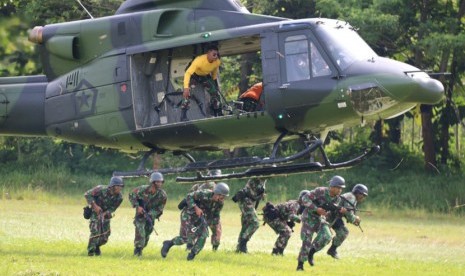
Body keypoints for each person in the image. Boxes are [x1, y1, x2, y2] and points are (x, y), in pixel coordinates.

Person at [161, 182, 230, 261]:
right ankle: (168, 243)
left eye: (224, 197)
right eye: (221, 197)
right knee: (187, 238)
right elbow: (189, 196)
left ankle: (192, 255)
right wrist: (196, 208)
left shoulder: (220, 203)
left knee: (204, 235)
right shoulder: (204, 193)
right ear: (217, 193)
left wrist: (215, 226)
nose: (222, 199)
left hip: (200, 218)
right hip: (188, 215)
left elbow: (215, 215)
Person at [296, 175, 347, 271]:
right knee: (306, 241)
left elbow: (331, 214)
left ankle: (311, 252)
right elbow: (305, 199)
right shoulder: (320, 191)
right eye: (338, 188)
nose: (340, 190)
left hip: (320, 219)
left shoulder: (337, 199)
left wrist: (340, 212)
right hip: (309, 218)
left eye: (341, 188)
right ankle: (300, 266)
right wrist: (316, 209)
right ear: (332, 186)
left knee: (327, 236)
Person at [129, 172, 167, 257]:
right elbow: (131, 195)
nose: (160, 183)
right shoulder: (142, 189)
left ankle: (141, 247)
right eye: (158, 182)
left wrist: (150, 214)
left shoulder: (162, 195)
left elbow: (160, 209)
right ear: (153, 182)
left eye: (161, 182)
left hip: (150, 217)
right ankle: (137, 251)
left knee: (146, 235)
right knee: (140, 232)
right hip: (140, 216)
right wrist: (137, 206)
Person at [84, 176, 124, 256]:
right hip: (95, 213)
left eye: (121, 186)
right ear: (112, 186)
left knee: (105, 236)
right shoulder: (100, 189)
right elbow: (87, 194)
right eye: (118, 186)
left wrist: (106, 213)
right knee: (95, 231)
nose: (120, 188)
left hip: (105, 215)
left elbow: (113, 208)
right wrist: (95, 206)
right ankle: (91, 252)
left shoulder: (119, 197)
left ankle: (97, 246)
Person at [326, 183, 368, 259]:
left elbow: (346, 212)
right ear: (358, 193)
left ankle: (332, 250)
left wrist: (353, 219)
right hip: (331, 215)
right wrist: (355, 219)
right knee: (342, 232)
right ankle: (331, 250)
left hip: (334, 215)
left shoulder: (351, 196)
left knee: (343, 232)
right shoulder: (351, 198)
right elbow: (348, 213)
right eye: (363, 195)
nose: (363, 197)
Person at [182, 44, 222, 120]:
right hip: (194, 75)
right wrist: (186, 88)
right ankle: (183, 114)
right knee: (187, 93)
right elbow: (188, 73)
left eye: (217, 54)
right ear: (208, 53)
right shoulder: (199, 60)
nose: (216, 56)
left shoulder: (217, 62)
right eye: (214, 54)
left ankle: (216, 112)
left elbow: (214, 71)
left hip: (205, 76)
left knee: (215, 93)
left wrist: (214, 83)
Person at [187, 169, 223, 251]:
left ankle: (190, 247)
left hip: (208, 212)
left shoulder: (200, 185)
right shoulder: (210, 185)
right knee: (211, 231)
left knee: (215, 230)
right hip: (201, 211)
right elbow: (191, 196)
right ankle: (213, 248)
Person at [232, 178, 266, 253]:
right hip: (246, 201)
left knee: (246, 224)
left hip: (248, 202)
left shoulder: (263, 181)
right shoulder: (257, 177)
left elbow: (256, 196)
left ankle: (240, 248)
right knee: (255, 223)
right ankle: (242, 245)